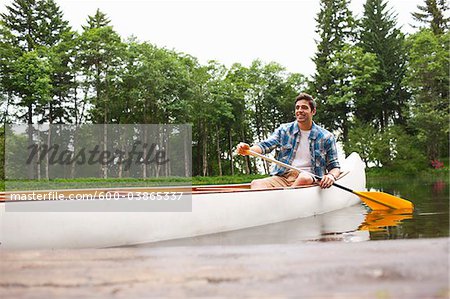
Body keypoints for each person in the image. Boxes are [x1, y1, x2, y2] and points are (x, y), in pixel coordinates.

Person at [236, 92, 340, 189]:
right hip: (284, 176)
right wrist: (248, 149)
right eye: (297, 107)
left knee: (304, 178)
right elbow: (265, 146)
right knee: (256, 183)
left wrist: (331, 176)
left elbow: (334, 167)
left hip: (310, 178)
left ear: (313, 111)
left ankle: (284, 199)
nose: (299, 110)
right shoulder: (284, 130)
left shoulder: (326, 137)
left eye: (304, 107)